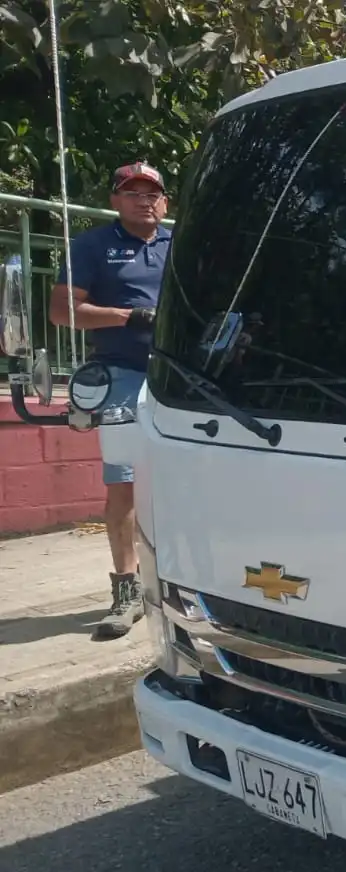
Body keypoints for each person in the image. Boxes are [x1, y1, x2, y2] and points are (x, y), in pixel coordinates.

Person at [48, 161, 170, 639]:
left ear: (165, 201)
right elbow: (62, 311)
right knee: (123, 483)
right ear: (115, 200)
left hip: (182, 380)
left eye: (152, 193)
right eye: (132, 192)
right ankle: (127, 592)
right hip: (122, 376)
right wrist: (128, 316)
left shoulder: (180, 244)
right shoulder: (93, 245)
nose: (144, 200)